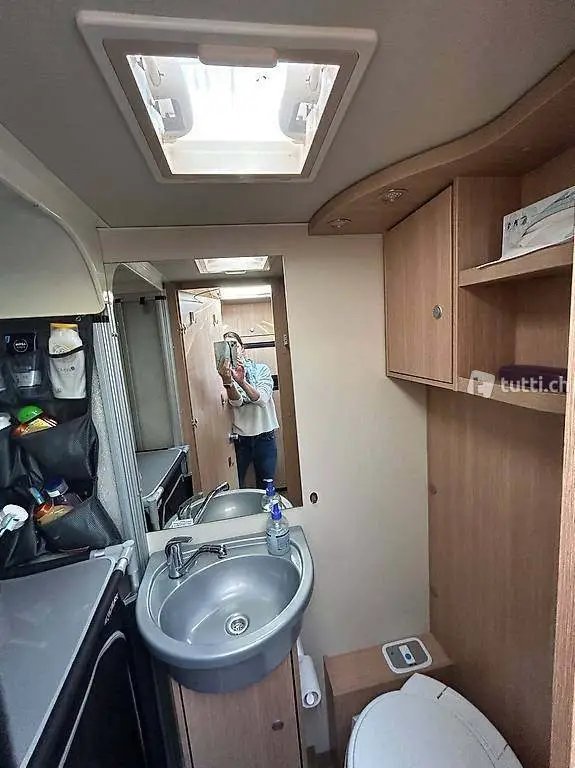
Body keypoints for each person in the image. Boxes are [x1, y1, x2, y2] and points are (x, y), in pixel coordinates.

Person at [218, 331, 279, 489]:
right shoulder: (223, 377)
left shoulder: (261, 370)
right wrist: (228, 382)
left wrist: (242, 382)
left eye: (234, 346)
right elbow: (237, 402)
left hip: (265, 437)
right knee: (236, 485)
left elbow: (262, 399)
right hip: (241, 439)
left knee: (267, 486)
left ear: (242, 349)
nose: (232, 351)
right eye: (226, 347)